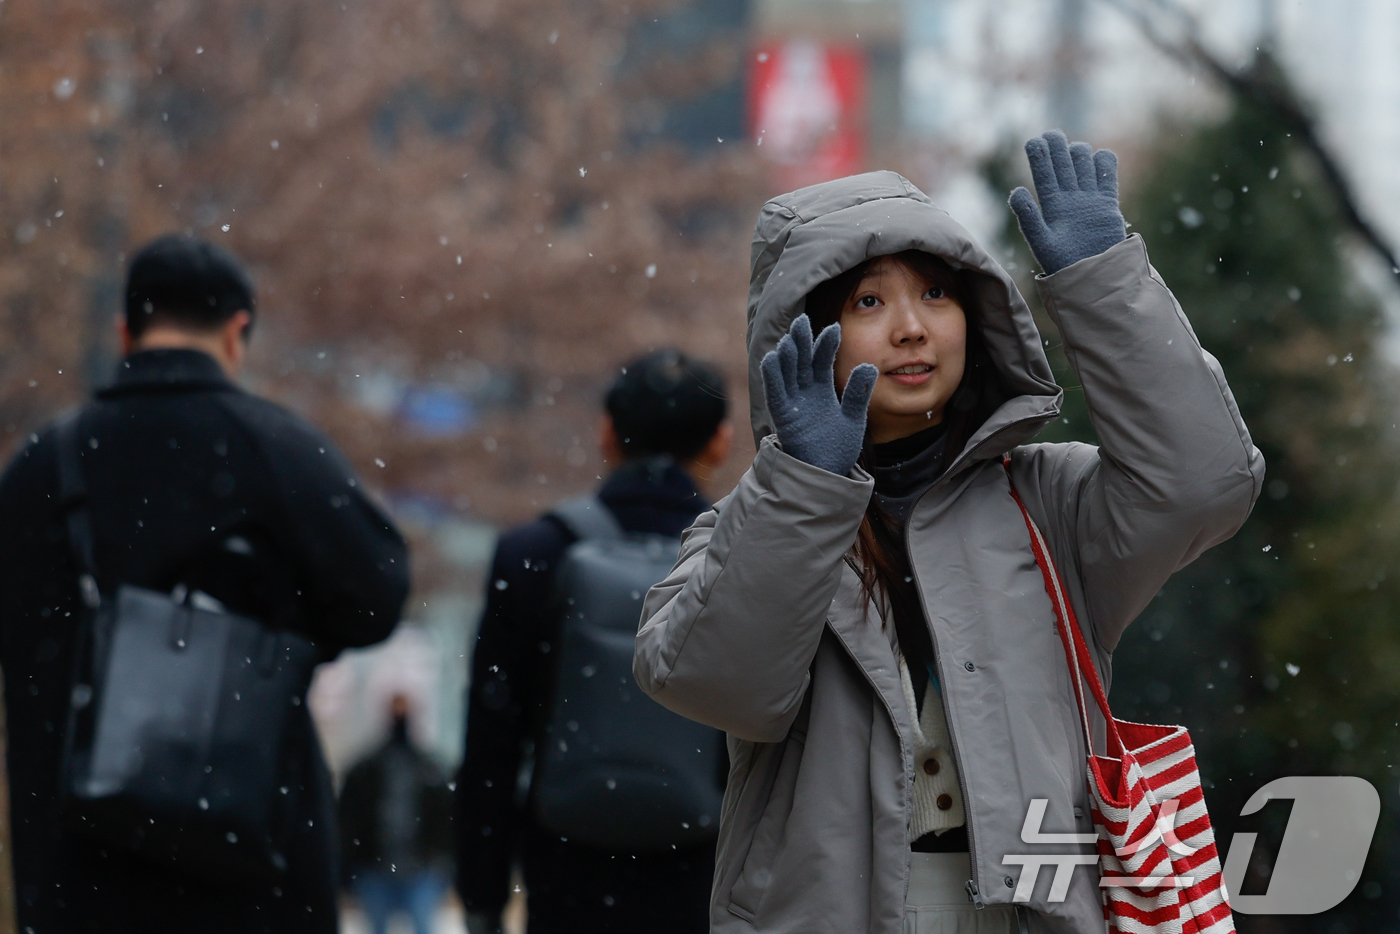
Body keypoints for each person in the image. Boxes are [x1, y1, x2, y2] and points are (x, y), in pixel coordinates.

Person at [634, 132, 1265, 934]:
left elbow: (1206, 485)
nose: (911, 328)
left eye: (936, 294)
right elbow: (716, 682)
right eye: (868, 302)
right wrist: (804, 485)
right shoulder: (750, 527)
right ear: (801, 336)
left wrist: (1103, 281)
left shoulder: (1048, 502)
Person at [0, 234, 410, 933]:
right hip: (249, 851)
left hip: (78, 863)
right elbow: (376, 598)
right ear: (237, 332)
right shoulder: (282, 452)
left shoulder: (45, 465)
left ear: (125, 330)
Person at [456, 349, 733, 934]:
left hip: (566, 865)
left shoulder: (533, 552)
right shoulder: (741, 559)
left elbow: (491, 739)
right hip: (701, 869)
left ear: (607, 433)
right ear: (719, 443)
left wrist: (482, 892)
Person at [340, 693, 455, 934]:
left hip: (420, 869)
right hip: (376, 869)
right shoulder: (367, 769)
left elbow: (446, 821)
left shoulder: (428, 769)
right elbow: (348, 821)